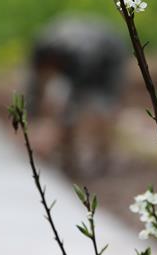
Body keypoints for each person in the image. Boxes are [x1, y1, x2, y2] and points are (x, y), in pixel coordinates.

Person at [25, 15, 128, 176]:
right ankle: (68, 159)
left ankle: (103, 156)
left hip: (108, 55)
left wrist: (56, 130)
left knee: (101, 107)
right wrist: (33, 121)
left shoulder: (81, 59)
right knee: (63, 109)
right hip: (83, 40)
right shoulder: (40, 51)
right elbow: (34, 87)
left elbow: (73, 103)